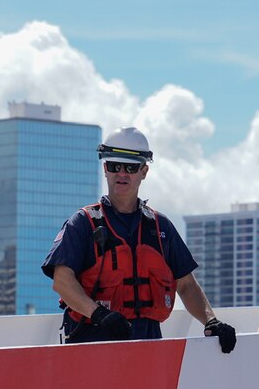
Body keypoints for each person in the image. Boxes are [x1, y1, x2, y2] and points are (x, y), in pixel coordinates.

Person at [42, 126, 236, 352]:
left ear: (144, 171)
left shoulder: (160, 227)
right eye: (115, 166)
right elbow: (62, 281)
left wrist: (211, 321)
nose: (122, 173)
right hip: (91, 343)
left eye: (131, 168)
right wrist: (99, 314)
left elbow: (186, 284)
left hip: (148, 345)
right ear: (105, 168)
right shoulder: (83, 223)